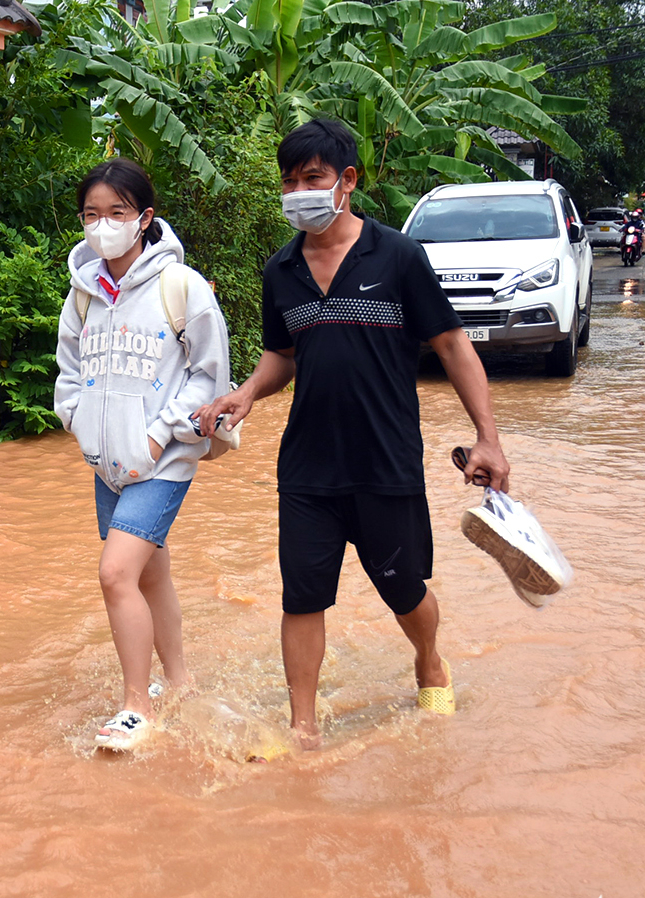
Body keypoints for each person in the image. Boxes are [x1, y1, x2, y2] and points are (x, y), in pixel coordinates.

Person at [193, 119, 510, 750]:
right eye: (289, 180)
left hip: (385, 460)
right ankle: (302, 726)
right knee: (302, 597)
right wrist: (246, 392)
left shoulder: (397, 256)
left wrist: (488, 437)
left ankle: (428, 661)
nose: (299, 191)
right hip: (308, 466)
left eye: (311, 178)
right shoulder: (280, 269)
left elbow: (451, 344)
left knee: (402, 589)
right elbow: (282, 354)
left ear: (347, 181)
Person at [54, 158, 231, 752]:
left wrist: (159, 436)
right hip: (106, 463)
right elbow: (69, 373)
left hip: (162, 463)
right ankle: (180, 683)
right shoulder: (81, 296)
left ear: (145, 218)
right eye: (92, 214)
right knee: (150, 572)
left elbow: (209, 376)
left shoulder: (181, 288)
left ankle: (135, 706)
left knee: (115, 573)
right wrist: (78, 425)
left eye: (117, 213)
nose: (103, 225)